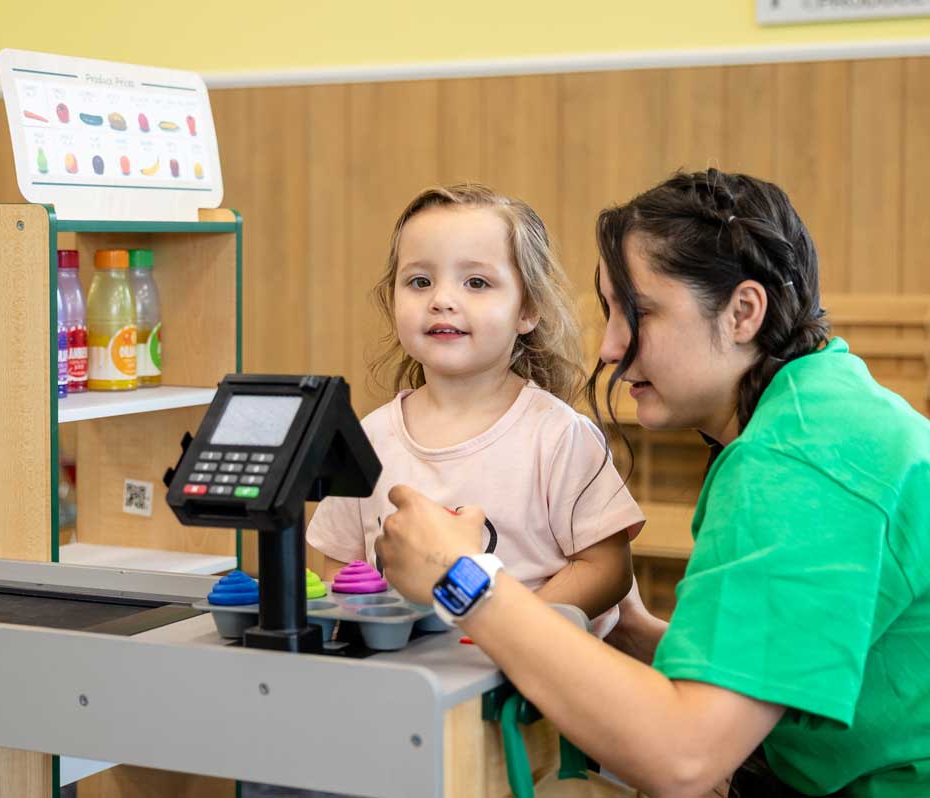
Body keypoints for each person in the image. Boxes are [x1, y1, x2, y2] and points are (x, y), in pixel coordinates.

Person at [375, 170, 930, 797]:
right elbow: (760, 677)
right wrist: (634, 633)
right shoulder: (812, 411)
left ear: (743, 312)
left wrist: (462, 578)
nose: (610, 346)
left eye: (637, 313)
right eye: (610, 312)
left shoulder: (801, 465)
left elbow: (683, 759)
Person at [307, 184, 645, 625]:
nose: (441, 300)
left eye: (477, 282)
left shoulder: (560, 435)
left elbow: (607, 570)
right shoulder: (366, 437)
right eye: (419, 281)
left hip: (522, 681)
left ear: (527, 309)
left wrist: (507, 630)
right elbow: (338, 564)